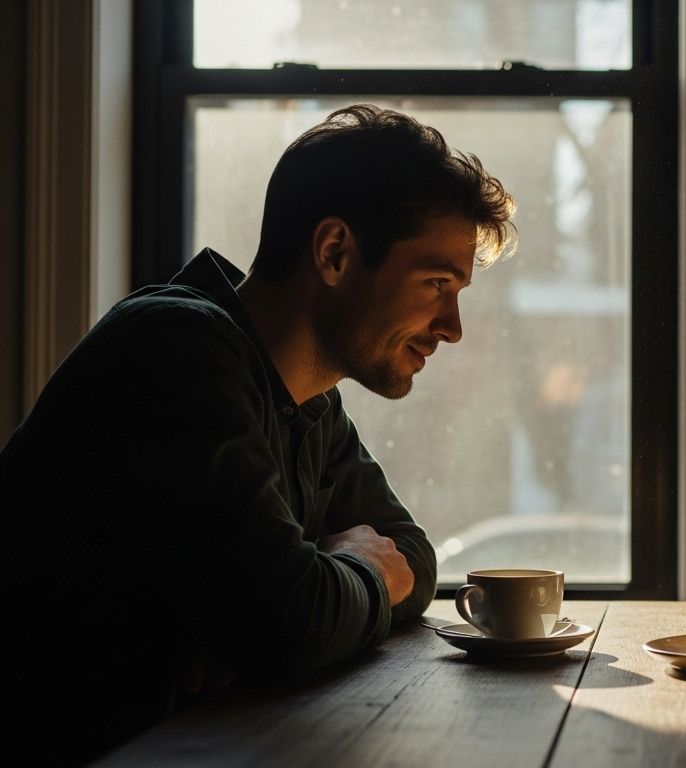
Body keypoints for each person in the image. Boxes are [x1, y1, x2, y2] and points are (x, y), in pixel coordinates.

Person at [1, 104, 516, 765]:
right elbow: (292, 624)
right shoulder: (172, 351)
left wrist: (316, 595)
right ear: (334, 253)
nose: (453, 326)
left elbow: (411, 559)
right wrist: (353, 573)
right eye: (436, 283)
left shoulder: (311, 398)